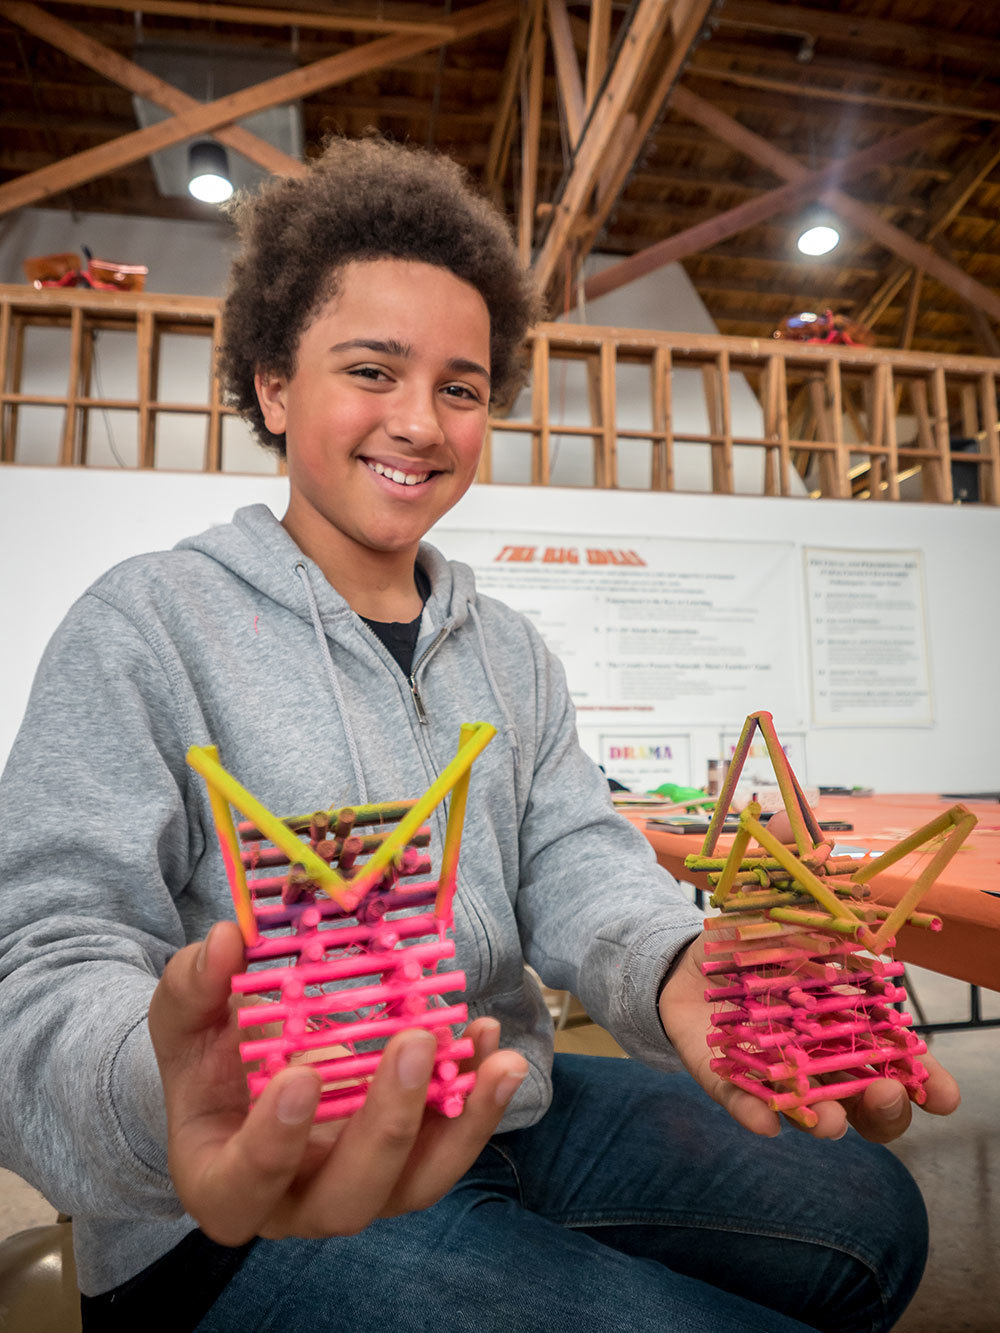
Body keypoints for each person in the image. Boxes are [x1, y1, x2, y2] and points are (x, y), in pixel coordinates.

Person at [0, 137, 958, 1333]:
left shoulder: (505, 649)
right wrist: (175, 1095)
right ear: (272, 386)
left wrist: (675, 969)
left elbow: (574, 854)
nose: (420, 422)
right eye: (371, 370)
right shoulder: (145, 623)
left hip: (500, 1105)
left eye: (459, 387)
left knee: (870, 1217)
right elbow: (41, 955)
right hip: (235, 1204)